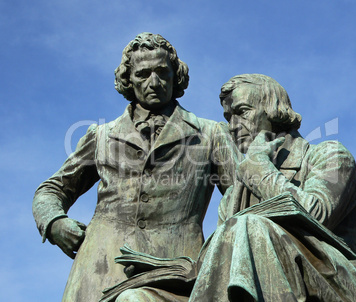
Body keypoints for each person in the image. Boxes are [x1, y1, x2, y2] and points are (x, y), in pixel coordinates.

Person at [32, 32, 240, 301]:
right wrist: (55, 222)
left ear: (175, 75)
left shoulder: (210, 134)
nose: (154, 82)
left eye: (162, 72)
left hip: (174, 272)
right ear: (128, 79)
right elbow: (52, 189)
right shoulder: (102, 135)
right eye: (143, 74)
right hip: (99, 268)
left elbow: (242, 198)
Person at [188, 74, 356, 301]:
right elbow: (216, 262)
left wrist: (260, 171)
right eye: (228, 117)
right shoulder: (233, 195)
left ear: (274, 111)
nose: (232, 126)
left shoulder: (330, 155)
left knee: (248, 224)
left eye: (242, 112)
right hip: (270, 286)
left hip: (337, 282)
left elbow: (316, 215)